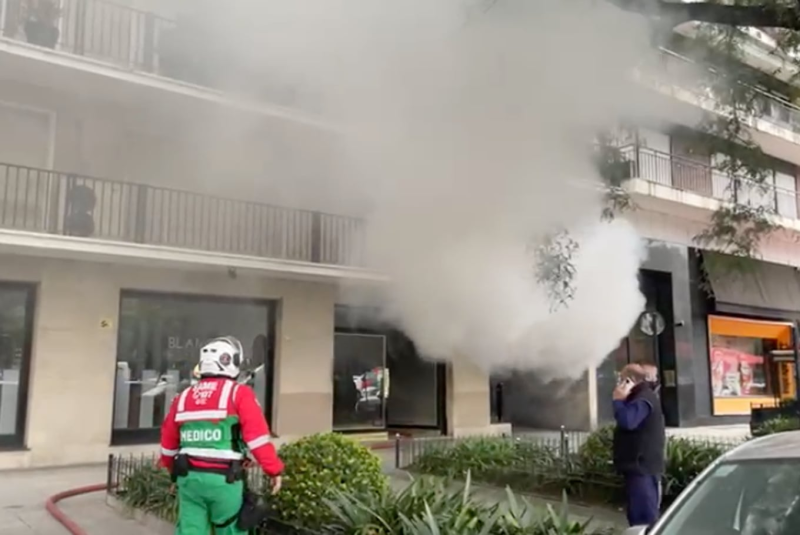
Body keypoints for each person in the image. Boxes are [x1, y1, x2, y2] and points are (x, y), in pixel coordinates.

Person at [160, 336, 284, 535]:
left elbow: (168, 444)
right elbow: (257, 438)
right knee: (230, 529)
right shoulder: (239, 393)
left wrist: (171, 472)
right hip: (225, 480)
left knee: (190, 530)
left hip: (188, 478)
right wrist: (273, 470)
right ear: (231, 361)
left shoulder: (183, 396)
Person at [612, 363, 666, 528]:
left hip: (642, 467)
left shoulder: (643, 399)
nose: (618, 384)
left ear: (629, 381)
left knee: (643, 518)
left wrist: (618, 401)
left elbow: (628, 421)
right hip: (638, 466)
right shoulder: (642, 396)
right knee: (638, 515)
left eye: (621, 380)